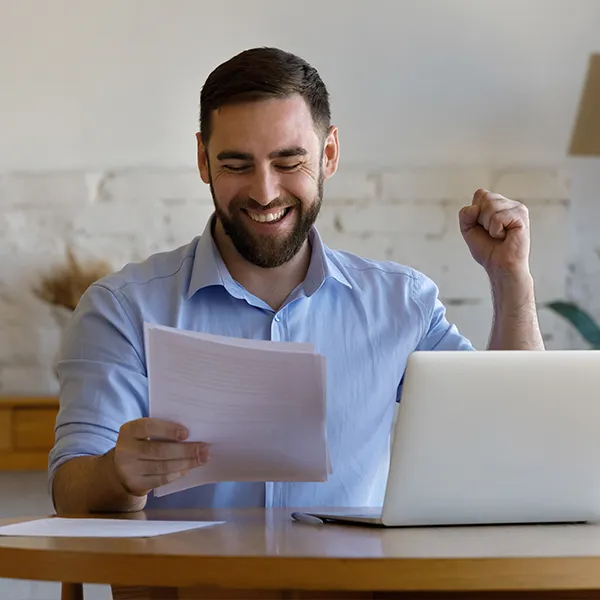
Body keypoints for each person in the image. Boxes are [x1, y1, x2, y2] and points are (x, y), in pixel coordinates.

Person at [49, 47, 545, 515]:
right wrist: (120, 473)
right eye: (236, 165)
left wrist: (510, 279)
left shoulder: (402, 304)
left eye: (289, 162)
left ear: (329, 154)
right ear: (203, 160)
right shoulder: (122, 309)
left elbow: (508, 432)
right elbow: (71, 491)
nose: (265, 192)